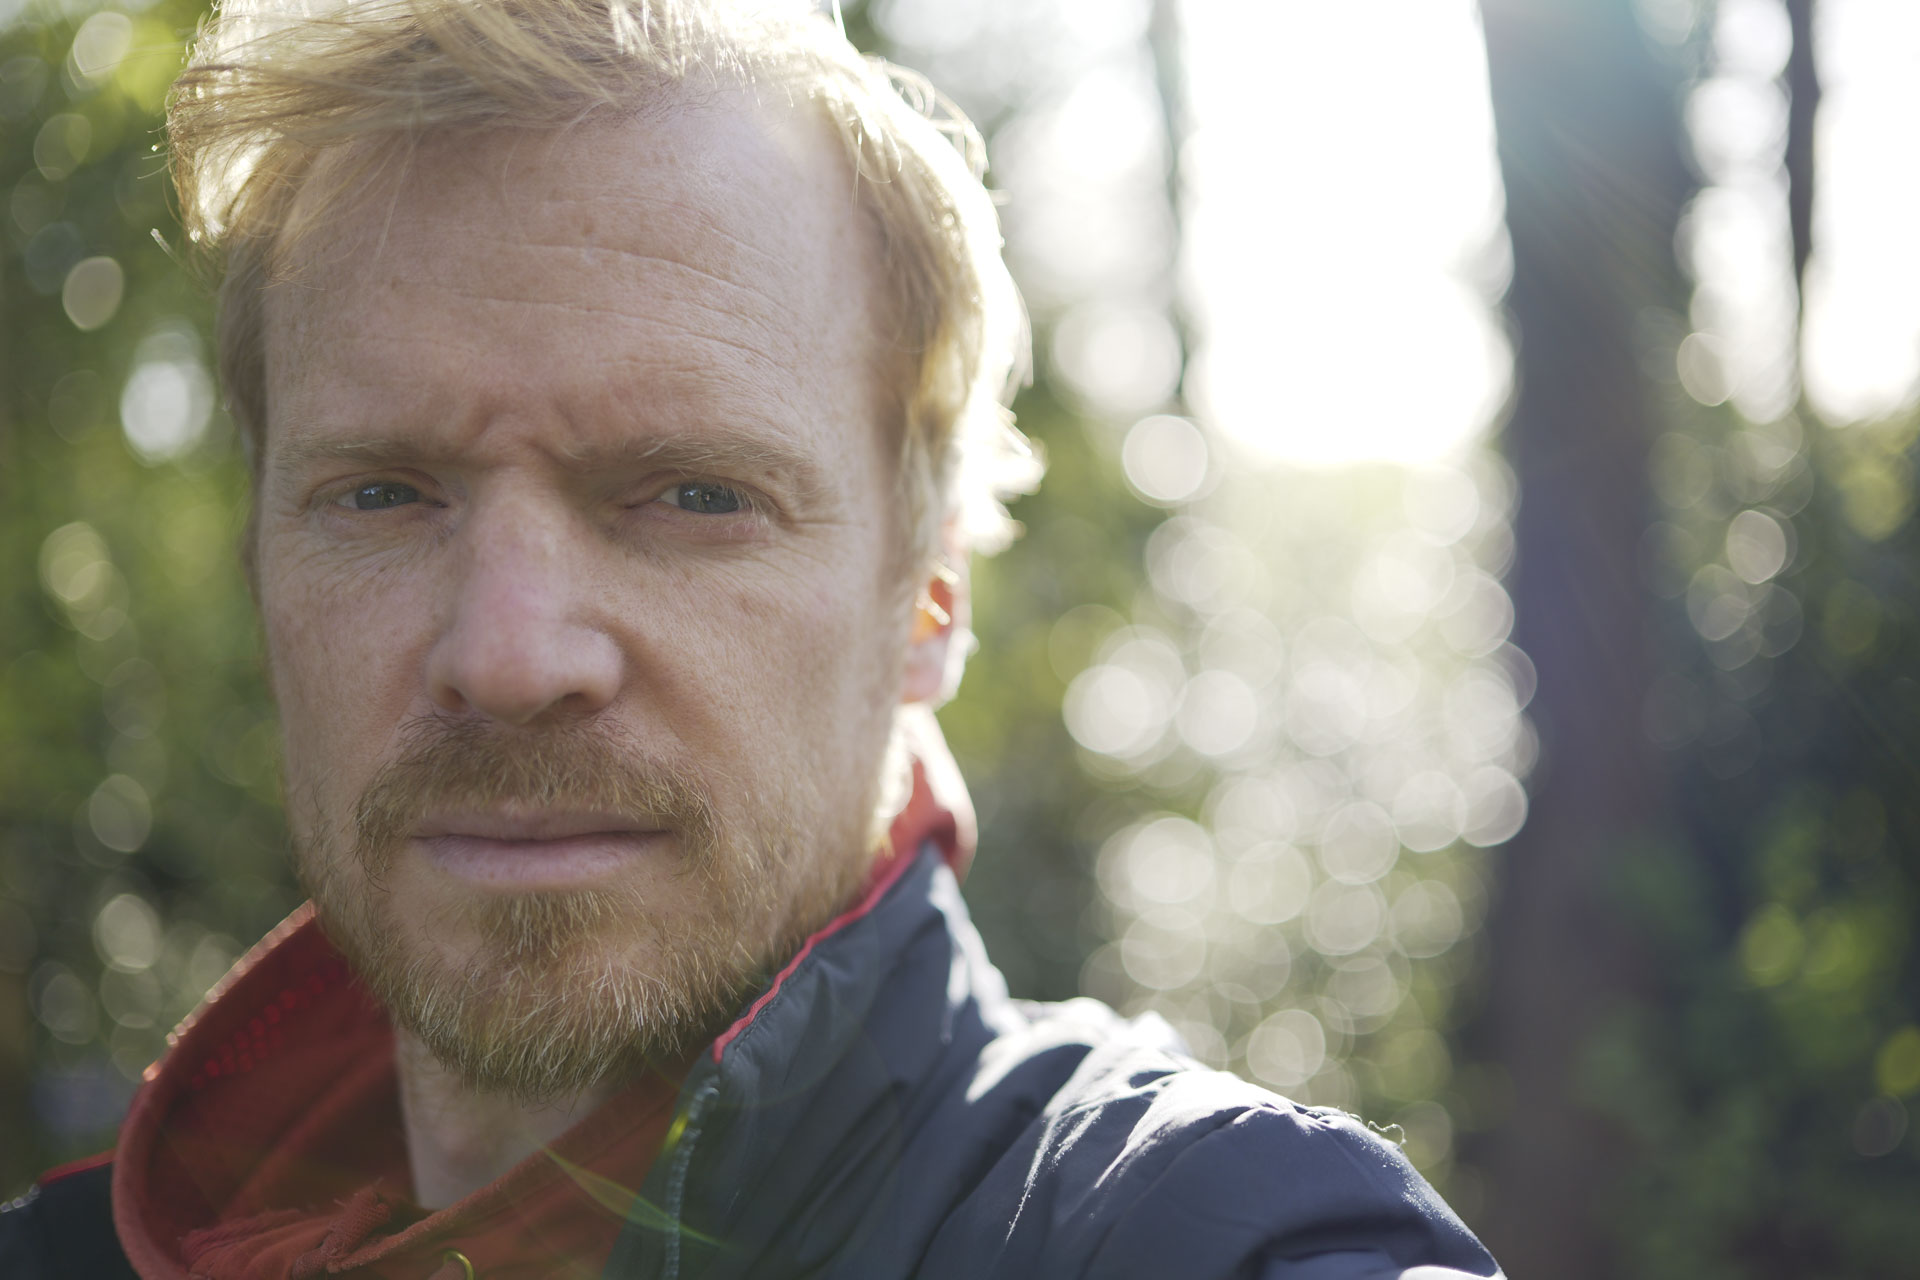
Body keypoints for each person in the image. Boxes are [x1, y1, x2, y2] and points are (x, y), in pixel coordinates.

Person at [2, 1, 1502, 1276]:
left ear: (928, 606)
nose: (512, 655)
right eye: (382, 494)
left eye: (695, 496)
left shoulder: (1188, 1229)